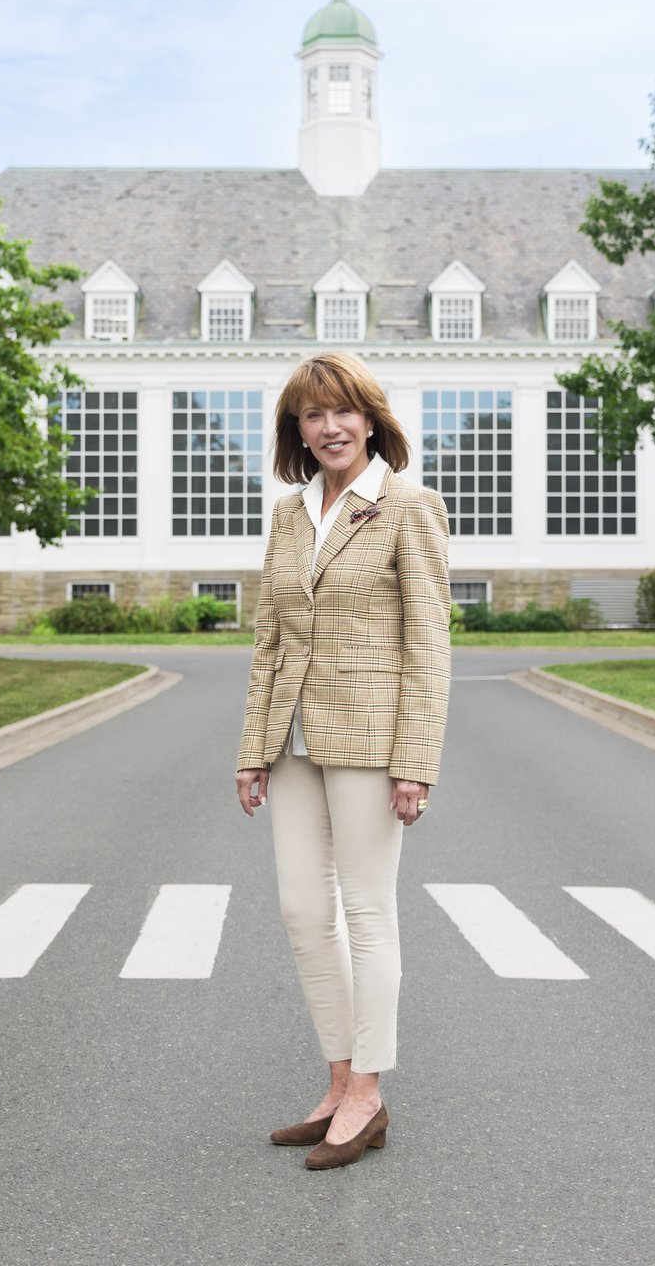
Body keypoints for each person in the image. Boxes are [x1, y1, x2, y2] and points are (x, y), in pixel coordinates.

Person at [235, 350, 450, 1171]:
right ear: (297, 428)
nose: (329, 427)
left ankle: (367, 1091)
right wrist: (252, 749)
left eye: (343, 412)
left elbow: (428, 643)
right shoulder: (291, 515)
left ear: (371, 419)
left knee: (366, 910)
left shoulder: (407, 506)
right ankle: (335, 1083)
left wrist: (415, 760)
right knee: (299, 910)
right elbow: (268, 638)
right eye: (312, 415)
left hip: (370, 737)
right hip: (290, 739)